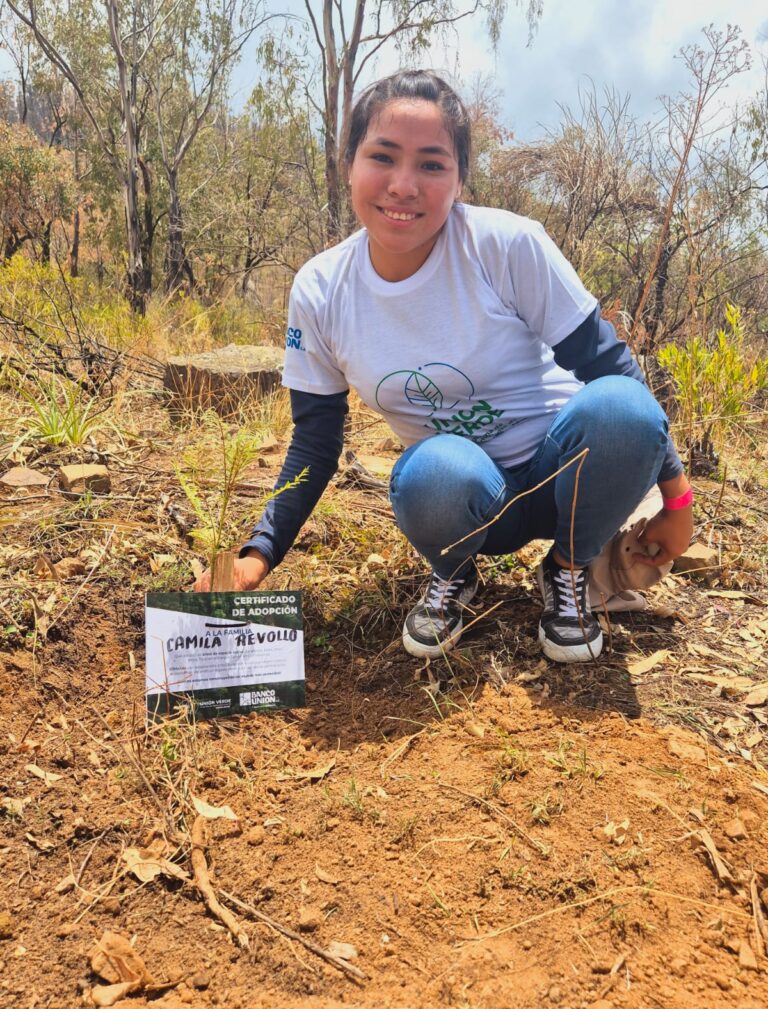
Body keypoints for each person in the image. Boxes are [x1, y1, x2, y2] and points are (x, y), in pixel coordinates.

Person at [194, 69, 694, 664]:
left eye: (432, 164)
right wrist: (258, 554)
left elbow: (611, 367)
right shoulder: (322, 290)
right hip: (463, 500)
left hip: (565, 480)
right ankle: (455, 575)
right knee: (431, 469)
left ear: (459, 179)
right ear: (348, 162)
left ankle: (567, 570)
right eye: (382, 156)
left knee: (621, 409)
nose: (403, 185)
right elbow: (315, 441)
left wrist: (677, 500)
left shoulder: (506, 246)